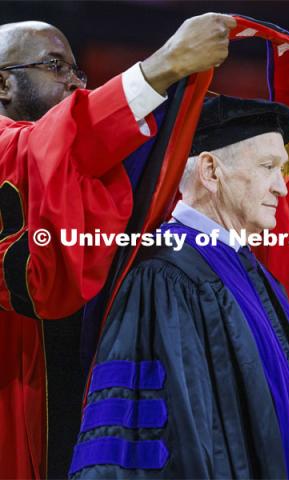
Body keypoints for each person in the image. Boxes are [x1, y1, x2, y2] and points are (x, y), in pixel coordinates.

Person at [0, 14, 237, 479]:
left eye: (77, 70)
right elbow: (52, 146)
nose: (75, 83)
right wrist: (161, 68)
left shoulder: (63, 159)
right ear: (3, 85)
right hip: (16, 383)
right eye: (55, 66)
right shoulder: (24, 149)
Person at [69, 95, 289, 479]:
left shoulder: (249, 270)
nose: (281, 189)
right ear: (211, 171)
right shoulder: (166, 277)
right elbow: (159, 436)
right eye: (268, 167)